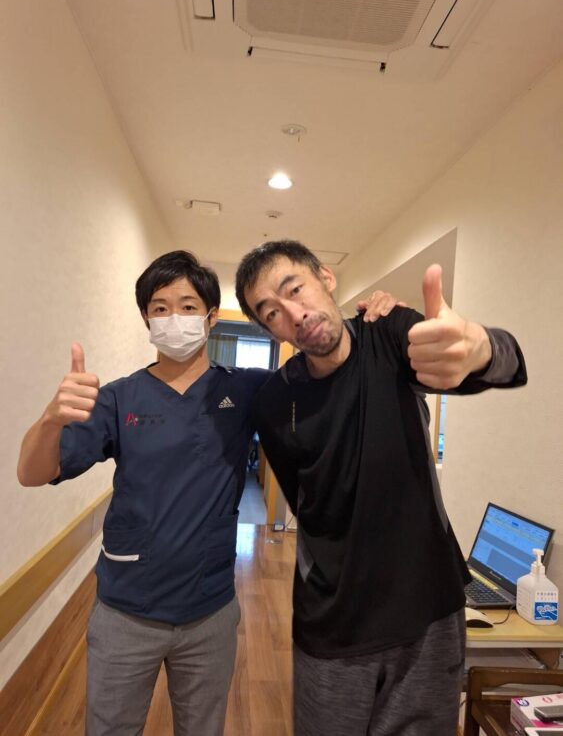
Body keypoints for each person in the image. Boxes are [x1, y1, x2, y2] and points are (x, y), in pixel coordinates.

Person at [17, 249, 396, 736]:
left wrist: (373, 323)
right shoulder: (118, 398)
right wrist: (50, 420)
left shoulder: (247, 389)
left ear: (211, 317)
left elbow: (330, 368)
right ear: (146, 320)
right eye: (160, 308)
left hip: (209, 612)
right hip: (126, 612)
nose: (173, 318)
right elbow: (33, 473)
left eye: (188, 306)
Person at [235, 240, 527, 736]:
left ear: (325, 277)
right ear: (271, 331)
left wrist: (479, 348)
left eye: (295, 289)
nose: (295, 314)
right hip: (332, 623)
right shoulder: (274, 402)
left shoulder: (389, 333)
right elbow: (305, 502)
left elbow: (504, 363)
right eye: (272, 313)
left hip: (428, 612)